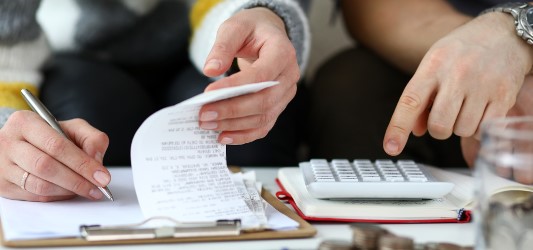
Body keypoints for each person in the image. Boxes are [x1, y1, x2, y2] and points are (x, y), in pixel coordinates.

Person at [0, 0, 310, 202]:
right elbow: (7, 38)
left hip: (218, 33)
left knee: (244, 131)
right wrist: (6, 129)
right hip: (76, 52)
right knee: (88, 119)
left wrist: (264, 14)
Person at [308, 0, 533, 168]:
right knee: (353, 83)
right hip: (437, 36)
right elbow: (378, 8)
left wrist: (517, 51)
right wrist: (485, 58)